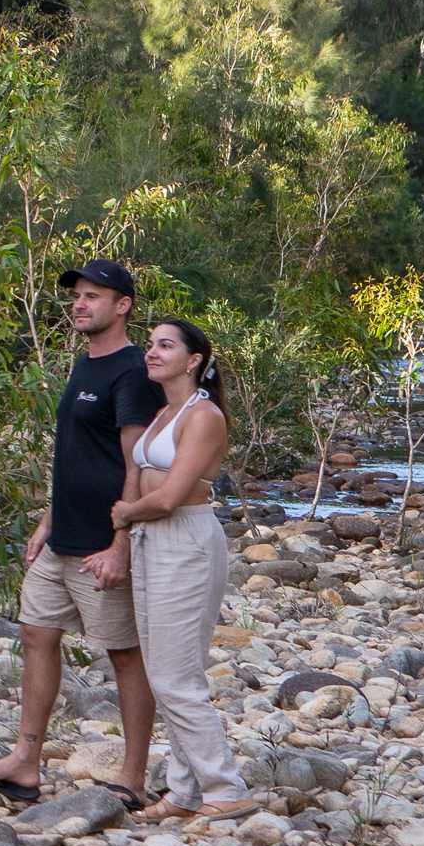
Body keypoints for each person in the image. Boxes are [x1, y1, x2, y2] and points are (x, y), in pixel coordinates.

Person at [0, 259, 161, 810]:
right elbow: (74, 454)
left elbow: (136, 464)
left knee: (124, 655)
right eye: (77, 295)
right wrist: (48, 520)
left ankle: (133, 777)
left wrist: (121, 543)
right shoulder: (83, 364)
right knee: (35, 635)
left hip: (103, 543)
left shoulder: (132, 373)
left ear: (123, 305)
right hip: (63, 537)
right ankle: (25, 763)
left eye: (93, 296)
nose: (79, 304)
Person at [111, 317, 254, 816]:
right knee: (161, 672)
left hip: (185, 540)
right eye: (150, 344)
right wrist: (129, 527)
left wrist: (125, 514)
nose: (151, 352)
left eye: (165, 346)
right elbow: (138, 472)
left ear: (193, 360)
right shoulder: (163, 413)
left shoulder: (204, 415)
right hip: (151, 541)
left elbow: (171, 496)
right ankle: (185, 790)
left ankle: (225, 789)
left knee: (176, 676)